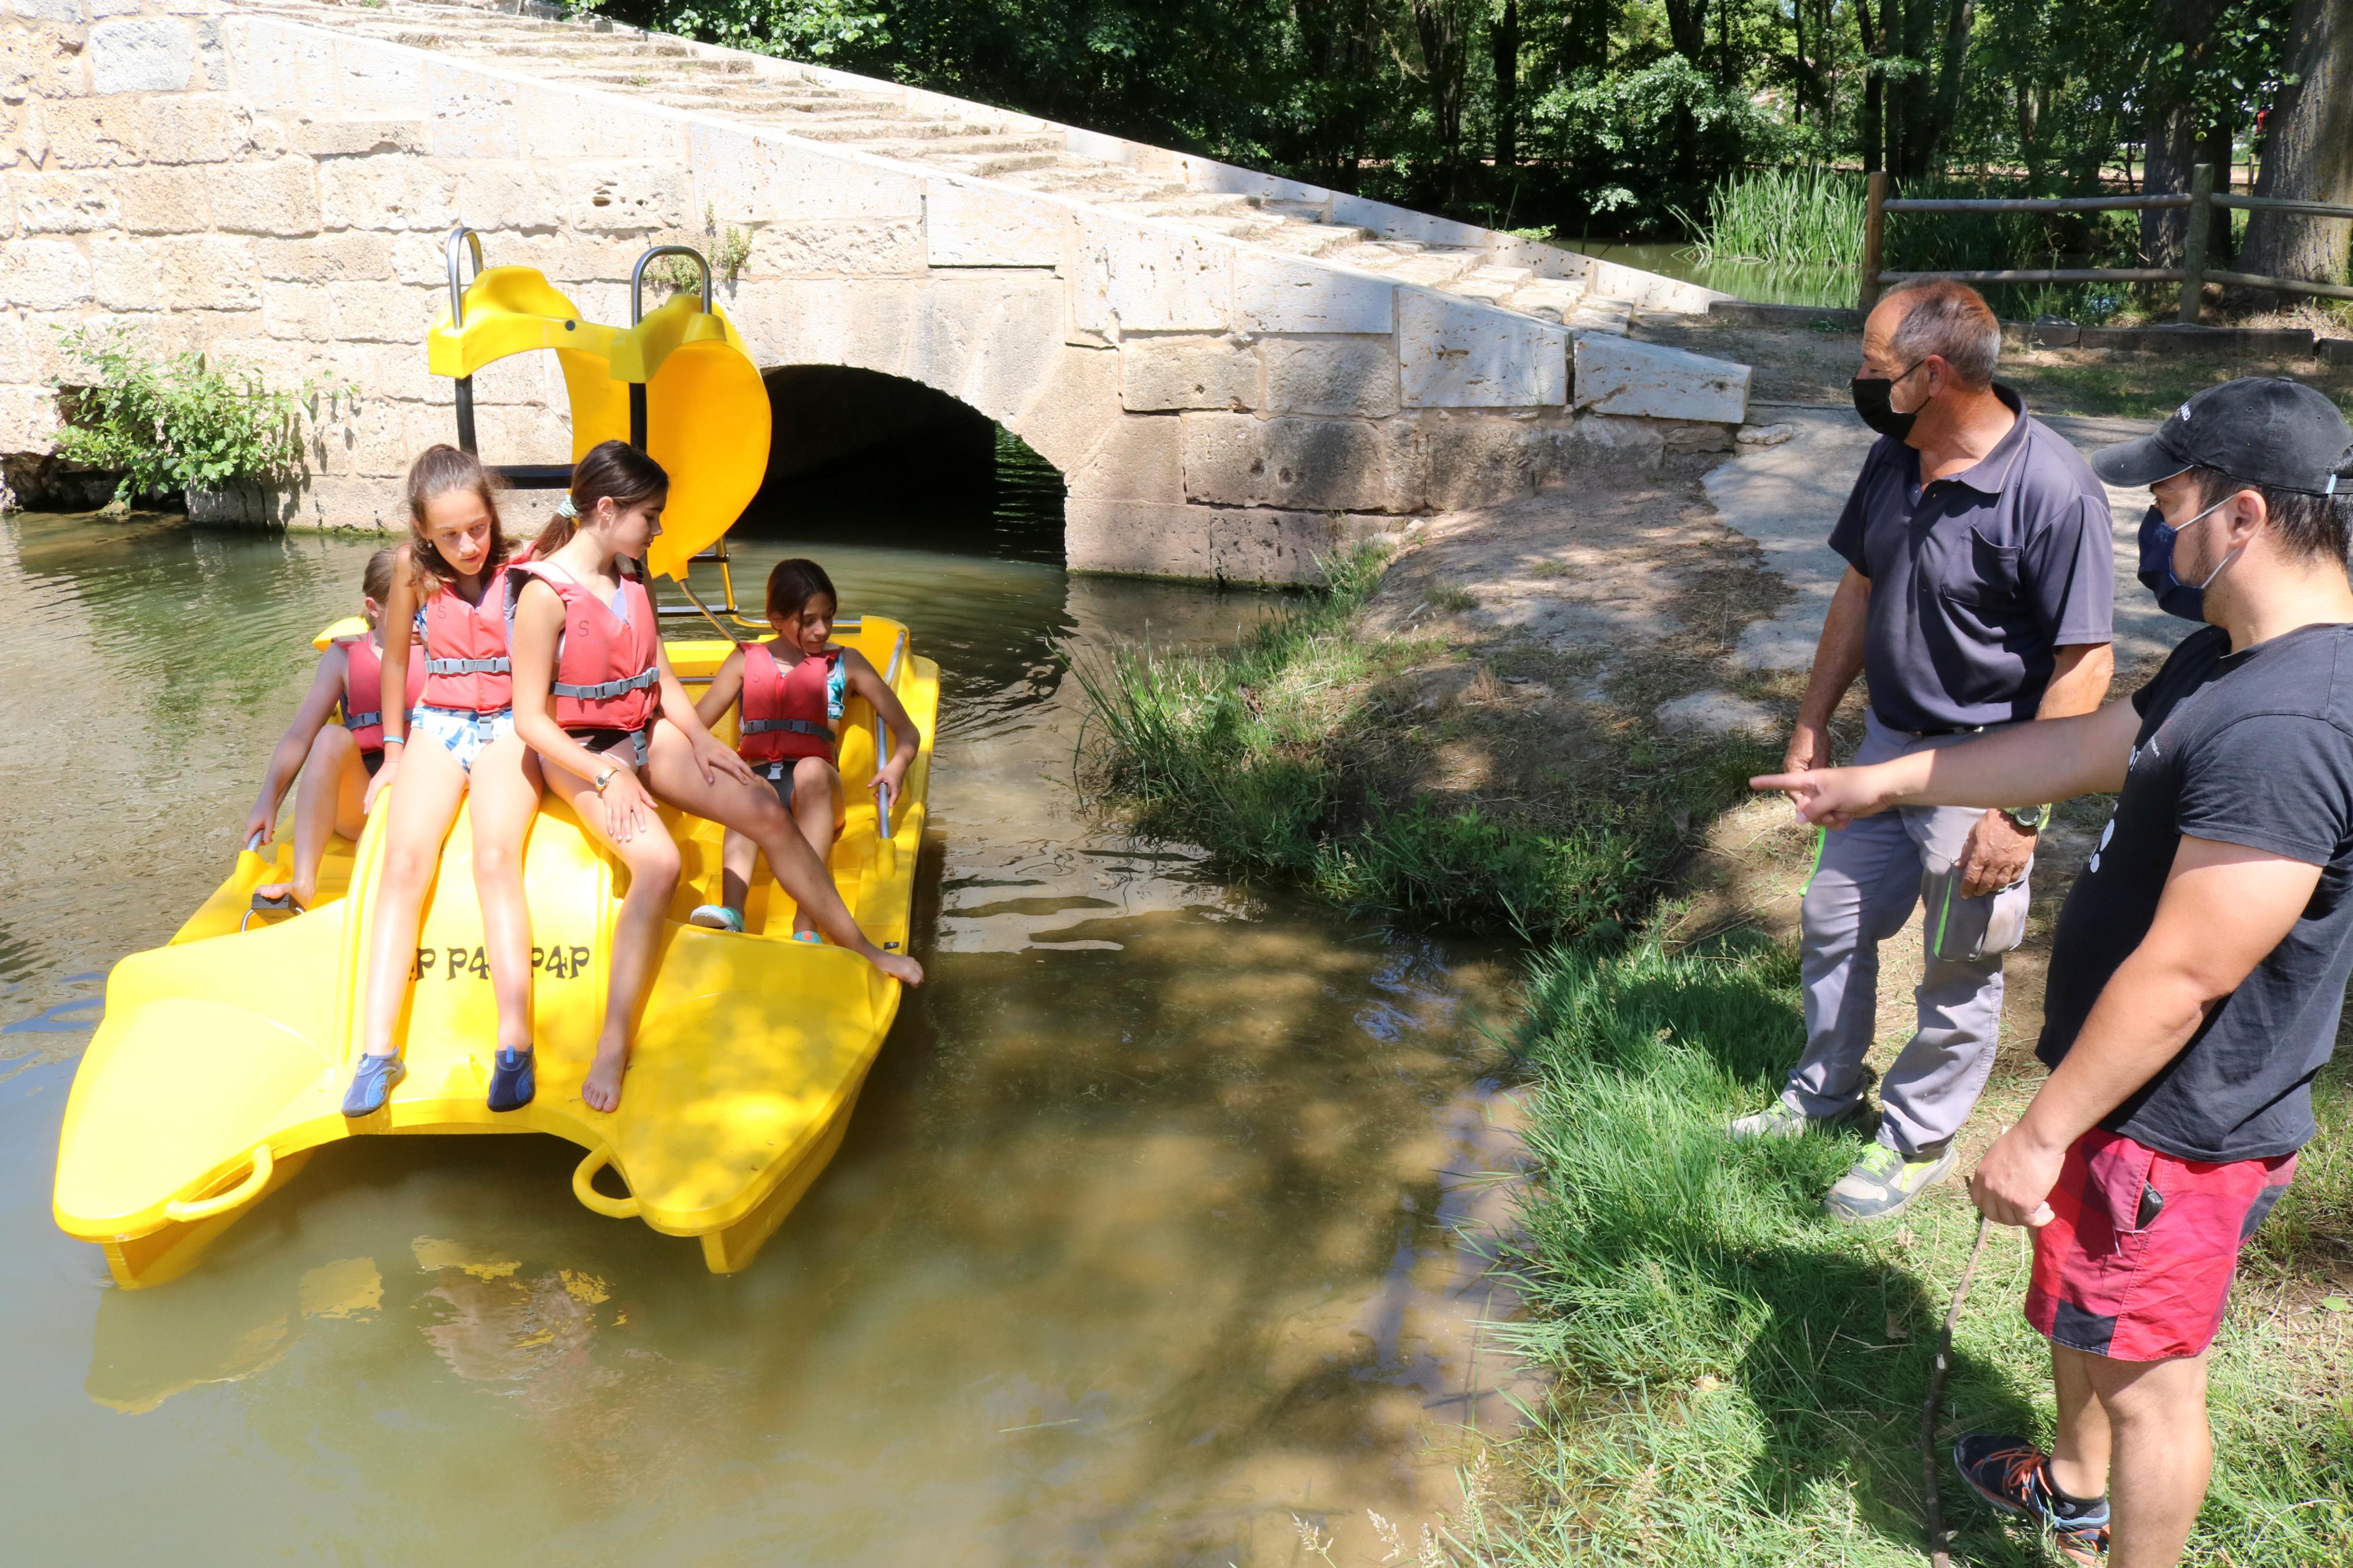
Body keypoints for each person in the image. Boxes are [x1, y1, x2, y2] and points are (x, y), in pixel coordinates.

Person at [1754, 378, 2353, 1567]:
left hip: (2178, 1121)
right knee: (2084, 1308)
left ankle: (2118, 1535)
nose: (2153, 521)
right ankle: (2071, 1488)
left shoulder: (2291, 721)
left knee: (2149, 1385)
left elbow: (2187, 969)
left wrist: (2038, 1128)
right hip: (2120, 1097)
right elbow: (2081, 744)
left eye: (2167, 496)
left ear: (2239, 516)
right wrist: (1883, 779)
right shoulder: (2221, 661)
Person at [1731, 278, 2118, 1222]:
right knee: (1833, 919)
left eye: (1870, 366)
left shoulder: (2052, 490)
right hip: (1887, 748)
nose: (1858, 381)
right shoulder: (1893, 456)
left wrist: (2021, 809)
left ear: (1930, 374)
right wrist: (1814, 718)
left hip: (1987, 766)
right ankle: (1822, 1093)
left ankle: (1913, 1140)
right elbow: (1857, 591)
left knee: (1958, 963)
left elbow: (2085, 662)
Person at [507, 441, 924, 1115]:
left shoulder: (633, 579)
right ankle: (613, 1043)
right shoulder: (543, 595)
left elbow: (662, 680)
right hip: (583, 750)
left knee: (763, 805)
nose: (660, 530)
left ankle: (858, 945)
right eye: (652, 516)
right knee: (660, 864)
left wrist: (704, 743)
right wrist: (604, 776)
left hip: (649, 732)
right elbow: (530, 719)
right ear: (607, 511)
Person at [344, 447, 545, 1119]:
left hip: (510, 723)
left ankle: (514, 1042)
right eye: (451, 533)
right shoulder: (410, 570)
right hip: (442, 719)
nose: (468, 545)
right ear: (421, 529)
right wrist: (395, 753)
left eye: (478, 528)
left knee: (495, 857)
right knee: (401, 862)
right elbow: (396, 660)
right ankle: (378, 1050)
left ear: (492, 514)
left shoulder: (524, 567)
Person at [686, 557, 920, 938]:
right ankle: (732, 913)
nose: (821, 630)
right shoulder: (745, 660)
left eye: (828, 617)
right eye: (808, 620)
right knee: (743, 783)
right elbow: (692, 727)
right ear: (777, 618)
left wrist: (896, 765)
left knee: (810, 769)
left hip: (819, 793)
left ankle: (806, 922)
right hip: (760, 791)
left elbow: (908, 732)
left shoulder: (846, 663)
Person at [243, 548, 427, 913]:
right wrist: (268, 798)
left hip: (424, 789)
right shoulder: (343, 657)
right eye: (408, 610)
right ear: (374, 608)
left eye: (425, 608)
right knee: (329, 737)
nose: (418, 621)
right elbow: (300, 735)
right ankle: (303, 884)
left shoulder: (442, 648)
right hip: (361, 798)